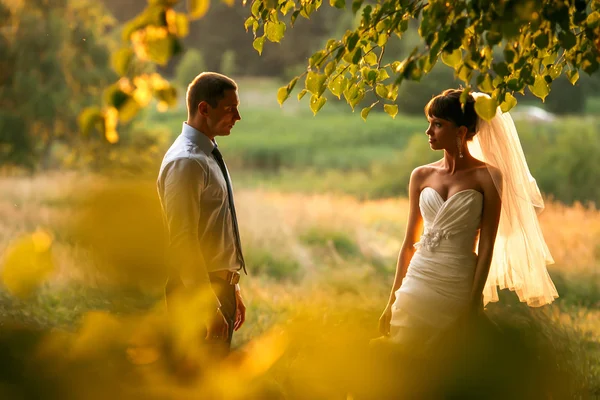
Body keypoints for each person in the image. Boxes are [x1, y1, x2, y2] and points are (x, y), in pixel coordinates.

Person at [377, 89, 558, 345]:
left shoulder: (488, 177)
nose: (429, 132)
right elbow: (408, 244)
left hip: (457, 281)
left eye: (438, 124)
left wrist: (473, 303)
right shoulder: (420, 175)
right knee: (403, 355)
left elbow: (486, 246)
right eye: (429, 123)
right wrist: (391, 300)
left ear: (461, 131)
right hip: (418, 278)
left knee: (448, 359)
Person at [157, 72, 247, 354]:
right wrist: (208, 305)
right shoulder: (187, 161)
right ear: (204, 109)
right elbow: (183, 241)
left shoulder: (206, 154)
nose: (238, 117)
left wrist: (232, 287)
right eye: (230, 109)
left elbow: (213, 231)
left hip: (218, 288)